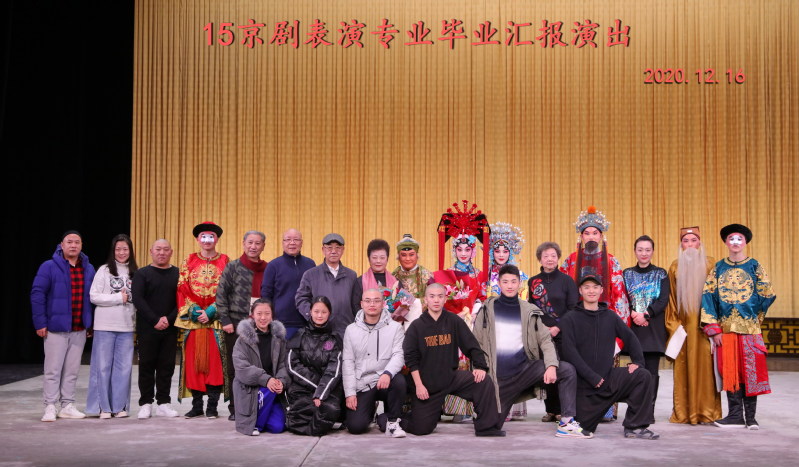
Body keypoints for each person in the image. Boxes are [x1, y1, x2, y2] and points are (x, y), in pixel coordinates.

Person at [473, 265, 588, 438]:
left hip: (524, 372)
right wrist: (479, 367)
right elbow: (476, 342)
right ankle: (488, 412)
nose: (510, 286)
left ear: (520, 284)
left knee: (566, 370)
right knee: (486, 427)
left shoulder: (529, 310)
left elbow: (545, 339)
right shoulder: (487, 310)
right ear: (499, 284)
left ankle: (566, 423)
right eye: (505, 282)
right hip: (498, 380)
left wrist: (551, 365)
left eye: (513, 281)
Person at [560, 275, 658, 439]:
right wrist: (591, 377)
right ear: (580, 291)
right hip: (585, 389)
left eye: (595, 287)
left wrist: (638, 362)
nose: (591, 291)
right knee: (583, 429)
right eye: (587, 287)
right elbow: (569, 352)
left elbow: (630, 338)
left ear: (601, 290)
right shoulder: (570, 318)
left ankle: (635, 426)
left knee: (642, 375)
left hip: (608, 380)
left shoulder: (610, 316)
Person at [402, 283, 504, 437]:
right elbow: (411, 359)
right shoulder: (417, 326)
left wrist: (480, 367)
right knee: (421, 429)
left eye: (440, 296)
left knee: (483, 381)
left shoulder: (453, 321)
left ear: (445, 299)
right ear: (425, 300)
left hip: (451, 377)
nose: (436, 300)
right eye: (432, 296)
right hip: (428, 384)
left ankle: (487, 427)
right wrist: (419, 385)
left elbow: (471, 346)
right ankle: (395, 418)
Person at [701, 224, 776, 430]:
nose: (735, 242)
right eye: (731, 239)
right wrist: (714, 329)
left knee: (750, 372)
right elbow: (708, 297)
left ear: (745, 242)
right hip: (726, 330)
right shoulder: (718, 268)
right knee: (729, 371)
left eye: (739, 238)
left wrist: (753, 317)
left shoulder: (754, 266)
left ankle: (751, 417)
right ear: (725, 242)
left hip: (749, 329)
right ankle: (735, 416)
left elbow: (767, 294)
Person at [560, 206, 629, 421]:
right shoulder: (571, 261)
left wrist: (618, 334)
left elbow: (619, 296)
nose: (591, 237)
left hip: (605, 323)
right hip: (579, 323)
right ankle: (577, 410)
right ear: (581, 236)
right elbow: (564, 294)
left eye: (595, 233)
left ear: (601, 236)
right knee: (579, 367)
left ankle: (605, 411)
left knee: (605, 368)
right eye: (587, 233)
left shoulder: (611, 261)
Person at [31, 230, 96, 422]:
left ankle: (67, 405)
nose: (73, 245)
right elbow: (37, 294)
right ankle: (50, 405)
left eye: (77, 242)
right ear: (62, 245)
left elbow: (91, 298)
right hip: (55, 328)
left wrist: (90, 323)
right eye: (69, 242)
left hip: (79, 328)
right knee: (53, 369)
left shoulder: (88, 268)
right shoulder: (49, 266)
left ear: (81, 245)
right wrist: (40, 322)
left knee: (72, 370)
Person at [664, 226, 722, 424]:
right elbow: (671, 301)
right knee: (684, 371)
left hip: (706, 329)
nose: (689, 245)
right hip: (684, 330)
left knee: (708, 372)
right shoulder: (675, 267)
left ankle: (708, 412)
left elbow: (718, 297)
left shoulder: (711, 265)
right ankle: (685, 412)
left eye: (693, 241)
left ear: (700, 243)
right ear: (681, 244)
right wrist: (675, 328)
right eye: (685, 241)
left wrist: (715, 325)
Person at [175, 221, 230, 419]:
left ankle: (212, 406)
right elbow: (182, 288)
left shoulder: (225, 261)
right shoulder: (188, 260)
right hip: (194, 322)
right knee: (194, 365)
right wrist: (195, 311)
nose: (207, 240)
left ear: (217, 239)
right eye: (203, 237)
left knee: (215, 365)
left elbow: (228, 290)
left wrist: (213, 310)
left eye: (211, 237)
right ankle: (197, 405)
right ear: (198, 239)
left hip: (215, 322)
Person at [217, 230, 268, 421]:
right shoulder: (232, 267)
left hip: (261, 324)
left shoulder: (268, 268)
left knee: (260, 366)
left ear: (263, 246)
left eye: (257, 243)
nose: (253, 247)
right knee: (235, 368)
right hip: (236, 324)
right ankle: (235, 408)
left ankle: (259, 406)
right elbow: (221, 295)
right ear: (243, 244)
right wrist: (225, 320)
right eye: (250, 243)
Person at [86, 234, 138, 418]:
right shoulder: (104, 270)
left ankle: (120, 406)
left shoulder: (135, 272)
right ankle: (103, 407)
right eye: (118, 249)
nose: (122, 252)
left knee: (124, 368)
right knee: (102, 367)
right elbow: (94, 296)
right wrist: (118, 298)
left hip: (126, 326)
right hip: (105, 325)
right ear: (113, 251)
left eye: (125, 249)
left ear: (130, 251)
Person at [342, 289, 407, 437]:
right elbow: (348, 363)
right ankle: (372, 411)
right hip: (363, 383)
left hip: (384, 380)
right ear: (361, 304)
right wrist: (350, 393)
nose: (372, 304)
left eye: (376, 301)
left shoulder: (395, 327)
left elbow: (399, 355)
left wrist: (387, 373)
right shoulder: (351, 330)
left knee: (399, 381)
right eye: (368, 301)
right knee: (355, 427)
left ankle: (392, 421)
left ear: (383, 303)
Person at [528, 241, 579, 422]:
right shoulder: (533, 282)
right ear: (539, 259)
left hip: (564, 334)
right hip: (543, 335)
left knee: (564, 371)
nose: (549, 259)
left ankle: (564, 411)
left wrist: (558, 328)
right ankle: (551, 410)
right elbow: (531, 309)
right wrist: (543, 330)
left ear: (558, 258)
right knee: (547, 370)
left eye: (553, 256)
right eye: (545, 256)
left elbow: (573, 309)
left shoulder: (567, 281)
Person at [622, 235, 669, 423]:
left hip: (653, 329)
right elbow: (622, 297)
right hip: (634, 329)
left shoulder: (661, 273)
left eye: (647, 250)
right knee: (636, 371)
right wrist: (633, 313)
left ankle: (649, 411)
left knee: (651, 373)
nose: (644, 253)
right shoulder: (626, 273)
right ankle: (636, 410)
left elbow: (663, 300)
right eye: (640, 250)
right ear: (635, 251)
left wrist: (646, 314)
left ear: (653, 252)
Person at [131, 239, 180, 419]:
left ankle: (163, 403)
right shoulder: (142, 273)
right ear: (151, 251)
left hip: (170, 328)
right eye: (158, 249)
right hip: (147, 328)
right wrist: (155, 320)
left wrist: (168, 318)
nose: (162, 253)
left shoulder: (178, 274)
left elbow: (182, 300)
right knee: (146, 366)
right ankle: (145, 403)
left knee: (167, 366)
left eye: (166, 249)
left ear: (171, 252)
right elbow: (138, 299)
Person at [486, 222, 529, 420]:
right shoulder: (485, 275)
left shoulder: (520, 276)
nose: (501, 254)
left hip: (513, 324)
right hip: (492, 326)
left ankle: (513, 407)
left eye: (505, 250)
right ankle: (494, 406)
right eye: (497, 250)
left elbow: (524, 301)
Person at [285, 296, 344, 436]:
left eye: (324, 312)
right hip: (302, 388)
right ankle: (314, 423)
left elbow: (334, 371)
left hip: (327, 390)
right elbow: (292, 366)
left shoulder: (334, 338)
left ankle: (312, 424)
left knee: (331, 409)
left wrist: (321, 394)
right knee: (296, 418)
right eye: (316, 311)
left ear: (329, 314)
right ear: (310, 312)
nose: (319, 315)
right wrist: (317, 387)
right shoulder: (299, 335)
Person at [232, 299, 289, 436]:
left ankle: (259, 418)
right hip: (251, 388)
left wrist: (281, 381)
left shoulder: (279, 339)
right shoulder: (243, 340)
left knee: (278, 427)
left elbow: (284, 364)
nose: (263, 318)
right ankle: (254, 424)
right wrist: (266, 380)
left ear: (272, 315)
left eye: (267, 313)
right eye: (259, 314)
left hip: (271, 388)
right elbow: (241, 368)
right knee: (270, 389)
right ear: (252, 315)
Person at [295, 233, 361, 338]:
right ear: (323, 250)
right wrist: (314, 316)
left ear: (343, 250)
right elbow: (301, 298)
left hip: (345, 331)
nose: (333, 251)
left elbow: (355, 303)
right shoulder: (310, 274)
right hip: (320, 332)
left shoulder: (351, 275)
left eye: (338, 248)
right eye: (329, 247)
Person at [261, 228, 315, 340]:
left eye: (296, 239)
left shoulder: (310, 264)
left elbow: (314, 291)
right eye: (288, 239)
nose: (292, 243)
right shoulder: (273, 265)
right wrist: (268, 316)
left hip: (306, 321)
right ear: (283, 243)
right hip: (281, 322)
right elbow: (266, 294)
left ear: (302, 243)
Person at [391, 234, 433, 299]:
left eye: (411, 255)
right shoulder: (393, 276)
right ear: (398, 257)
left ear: (417, 256)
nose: (408, 259)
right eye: (403, 255)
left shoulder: (426, 276)